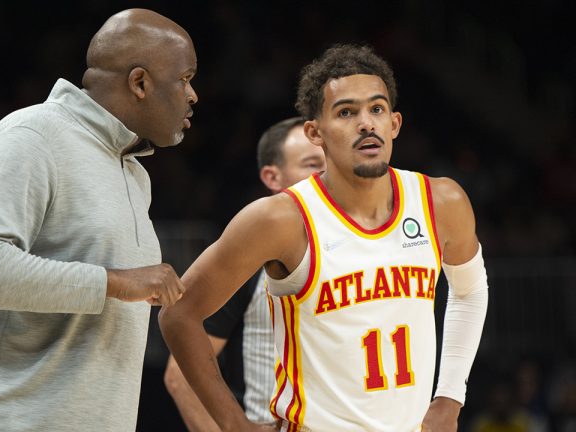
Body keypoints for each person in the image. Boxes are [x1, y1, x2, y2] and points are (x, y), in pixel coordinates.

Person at [160, 43, 488, 432]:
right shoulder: (281, 219)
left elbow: (470, 292)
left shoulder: (441, 201)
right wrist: (235, 426)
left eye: (377, 109)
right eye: (346, 112)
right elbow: (179, 314)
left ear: (395, 124)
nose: (366, 123)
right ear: (315, 132)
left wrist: (449, 398)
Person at [0, 9, 196, 431]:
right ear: (140, 83)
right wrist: (115, 281)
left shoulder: (134, 173)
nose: (193, 95)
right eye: (186, 78)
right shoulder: (32, 136)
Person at [163, 117, 326, 430]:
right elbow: (180, 374)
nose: (324, 174)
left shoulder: (363, 247)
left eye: (328, 162)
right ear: (272, 176)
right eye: (310, 164)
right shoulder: (250, 256)